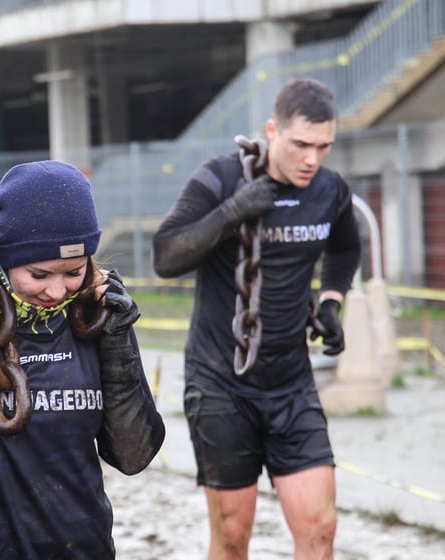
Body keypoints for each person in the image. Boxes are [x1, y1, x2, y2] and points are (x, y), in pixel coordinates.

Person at [0, 160, 165, 559]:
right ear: (6, 259)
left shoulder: (96, 320)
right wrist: (2, 240)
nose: (57, 291)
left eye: (73, 272)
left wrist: (117, 341)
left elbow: (134, 455)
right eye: (39, 274)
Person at [152, 77, 362, 559]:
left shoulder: (329, 189)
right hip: (220, 383)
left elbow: (346, 245)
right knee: (231, 537)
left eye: (324, 146)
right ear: (273, 130)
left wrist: (330, 301)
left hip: (291, 384)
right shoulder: (221, 178)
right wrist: (232, 213)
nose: (312, 159)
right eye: (301, 144)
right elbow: (165, 256)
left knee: (321, 530)